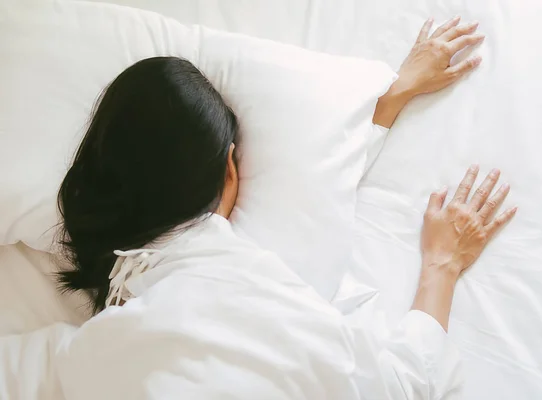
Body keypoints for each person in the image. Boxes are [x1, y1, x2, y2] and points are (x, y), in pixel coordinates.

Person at [53, 17, 517, 399]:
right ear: (230, 173)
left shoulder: (89, 341)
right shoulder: (237, 274)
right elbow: (407, 384)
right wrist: (443, 263)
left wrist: (390, 99)